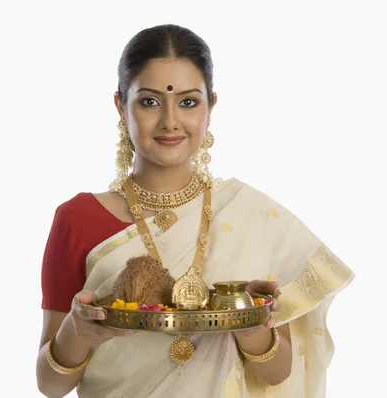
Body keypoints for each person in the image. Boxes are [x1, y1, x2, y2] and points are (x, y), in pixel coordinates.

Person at [35, 24, 354, 398]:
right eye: (149, 101)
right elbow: (50, 385)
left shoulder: (251, 216)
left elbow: (277, 372)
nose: (170, 121)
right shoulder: (78, 218)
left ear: (211, 105)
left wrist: (249, 323)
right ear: (121, 105)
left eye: (188, 101)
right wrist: (76, 332)